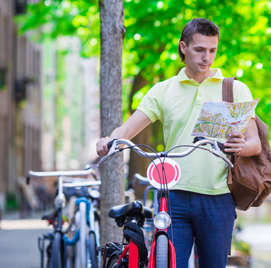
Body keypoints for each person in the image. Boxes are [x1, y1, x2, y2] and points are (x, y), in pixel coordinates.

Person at [96, 18, 261, 268]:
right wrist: (110, 140)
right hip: (173, 197)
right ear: (183, 47)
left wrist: (240, 146)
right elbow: (127, 130)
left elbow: (255, 144)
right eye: (199, 50)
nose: (207, 57)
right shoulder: (163, 90)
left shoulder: (235, 90)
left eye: (212, 50)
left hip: (217, 197)